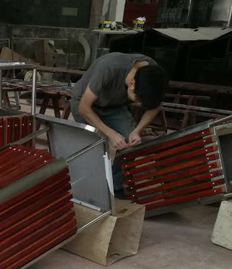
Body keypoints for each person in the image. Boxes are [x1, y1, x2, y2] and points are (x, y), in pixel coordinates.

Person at [70, 52, 169, 194]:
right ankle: (87, 187)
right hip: (85, 103)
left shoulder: (153, 73)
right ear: (131, 84)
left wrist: (137, 131)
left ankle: (113, 186)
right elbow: (84, 108)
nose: (138, 105)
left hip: (115, 106)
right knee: (94, 146)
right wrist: (110, 134)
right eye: (137, 100)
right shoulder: (109, 67)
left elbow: (155, 106)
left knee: (130, 141)